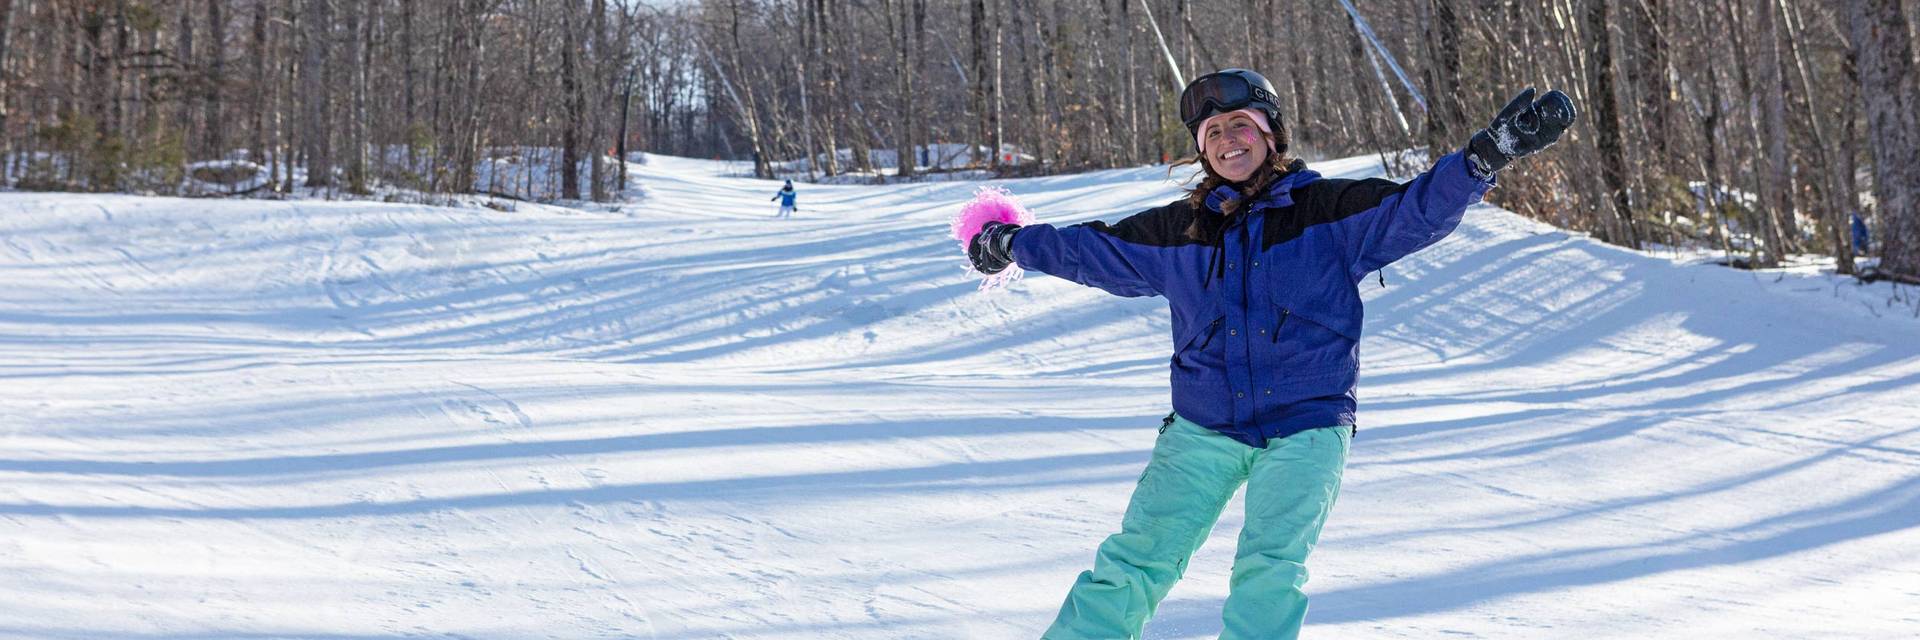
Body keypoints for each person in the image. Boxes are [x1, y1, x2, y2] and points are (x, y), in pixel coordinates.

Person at [967, 69, 1575, 639]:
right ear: (1202, 150)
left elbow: (1417, 209)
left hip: (1307, 428)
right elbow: (1089, 250)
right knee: (1137, 559)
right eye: (1213, 133)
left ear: (1270, 134)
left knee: (1269, 568)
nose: (1228, 140)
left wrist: (1483, 157)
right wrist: (1014, 242)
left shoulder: (1331, 213)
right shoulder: (1179, 231)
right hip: (1203, 429)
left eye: (1241, 126)